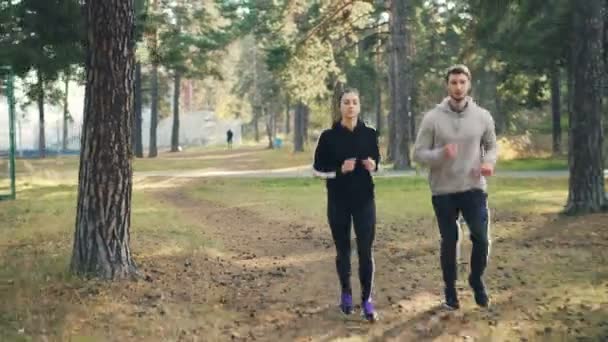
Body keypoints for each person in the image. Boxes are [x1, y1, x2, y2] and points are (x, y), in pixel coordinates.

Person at [413, 64, 497, 310]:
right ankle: (450, 289)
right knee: (450, 240)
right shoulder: (433, 118)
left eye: (462, 82)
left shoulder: (482, 116)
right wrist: (441, 153)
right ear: (447, 86)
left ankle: (476, 280)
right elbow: (418, 153)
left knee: (481, 238)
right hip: (443, 190)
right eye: (453, 83)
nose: (458, 87)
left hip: (473, 187)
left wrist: (488, 162)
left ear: (468, 85)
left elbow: (491, 146)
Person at [313, 88, 380, 322]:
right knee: (343, 251)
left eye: (354, 102)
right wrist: (339, 170)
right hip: (338, 201)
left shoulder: (370, 134)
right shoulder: (328, 137)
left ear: (359, 106)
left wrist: (374, 165)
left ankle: (367, 300)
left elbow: (376, 162)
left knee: (365, 251)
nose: (351, 106)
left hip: (364, 200)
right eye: (346, 102)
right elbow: (317, 171)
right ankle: (346, 295)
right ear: (339, 107)